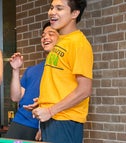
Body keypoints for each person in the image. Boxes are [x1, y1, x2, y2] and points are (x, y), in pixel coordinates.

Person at [31, 0, 93, 142]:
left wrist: (50, 110)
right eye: (52, 8)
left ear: (75, 13)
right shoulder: (60, 41)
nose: (52, 12)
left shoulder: (79, 43)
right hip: (51, 119)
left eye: (59, 8)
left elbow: (85, 89)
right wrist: (45, 101)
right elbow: (62, 81)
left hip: (65, 120)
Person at [5, 22, 59, 141]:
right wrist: (15, 70)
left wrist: (42, 127)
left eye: (51, 34)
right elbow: (15, 97)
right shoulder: (31, 70)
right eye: (43, 35)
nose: (45, 37)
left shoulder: (62, 70)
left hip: (45, 125)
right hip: (20, 122)